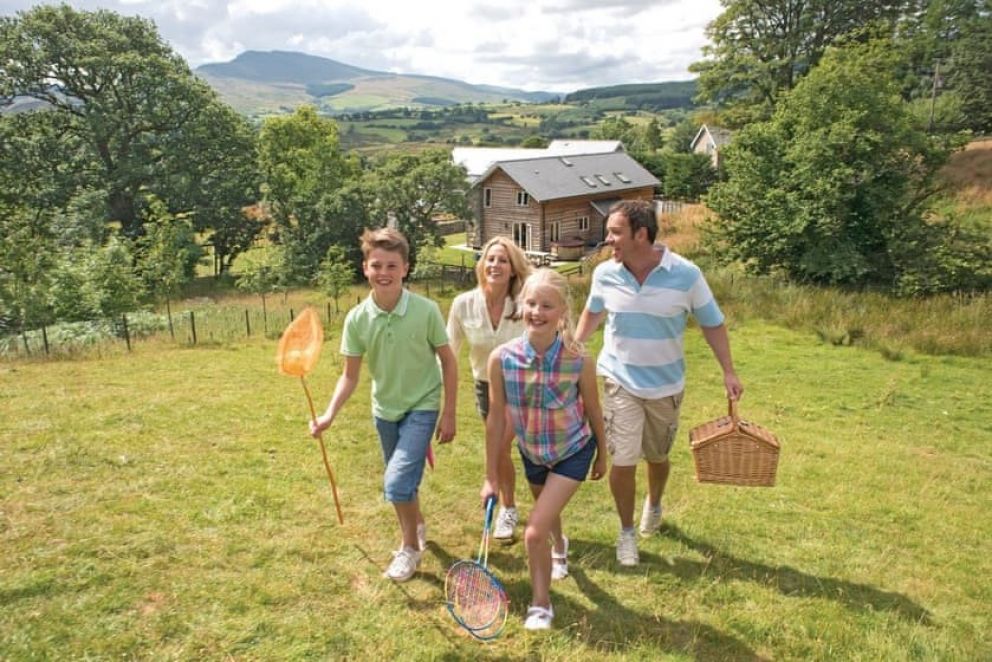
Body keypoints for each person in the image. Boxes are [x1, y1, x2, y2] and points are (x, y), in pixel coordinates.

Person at [575, 200, 744, 567]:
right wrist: (574, 351)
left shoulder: (686, 274)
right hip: (618, 379)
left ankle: (653, 501)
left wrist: (728, 371)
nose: (608, 240)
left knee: (658, 456)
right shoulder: (605, 274)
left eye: (616, 232)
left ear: (641, 234)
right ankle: (626, 533)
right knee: (622, 458)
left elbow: (712, 322)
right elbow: (593, 310)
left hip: (666, 386)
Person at [310, 228, 457, 582]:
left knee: (395, 483)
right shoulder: (357, 319)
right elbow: (349, 376)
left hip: (422, 405)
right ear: (365, 268)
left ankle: (409, 550)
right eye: (376, 265)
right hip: (385, 411)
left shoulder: (426, 311)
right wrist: (329, 414)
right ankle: (417, 526)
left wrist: (448, 412)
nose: (384, 272)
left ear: (405, 268)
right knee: (403, 484)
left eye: (392, 265)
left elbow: (449, 362)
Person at [480, 268, 607, 631]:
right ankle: (560, 544)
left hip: (573, 450)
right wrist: (491, 477)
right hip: (533, 453)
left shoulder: (579, 360)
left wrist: (603, 452)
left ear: (563, 312)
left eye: (547, 306)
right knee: (546, 516)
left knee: (533, 530)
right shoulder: (501, 359)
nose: (537, 311)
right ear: (521, 306)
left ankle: (540, 606)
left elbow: (594, 410)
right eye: (531, 303)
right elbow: (495, 421)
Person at [446, 236, 532, 543]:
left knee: (501, 447)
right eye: (490, 259)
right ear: (482, 265)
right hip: (487, 387)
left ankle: (501, 490)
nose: (495, 265)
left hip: (524, 385)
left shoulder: (525, 303)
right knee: (502, 448)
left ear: (513, 269)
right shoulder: (463, 304)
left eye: (503, 260)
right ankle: (508, 508)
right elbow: (449, 353)